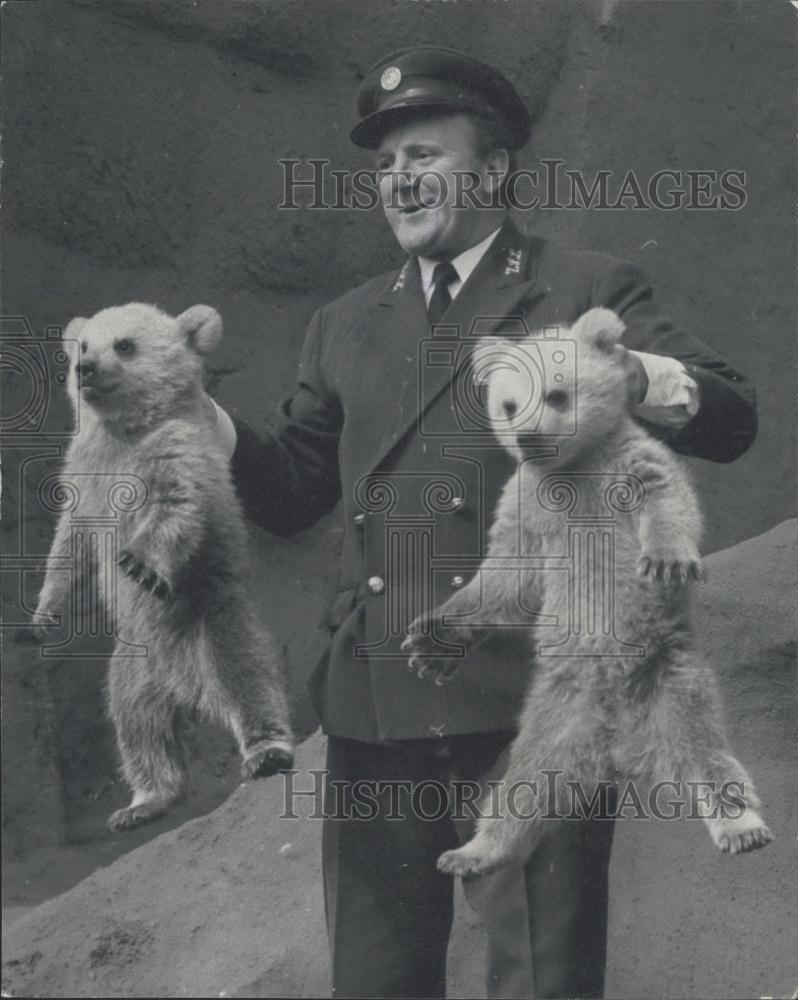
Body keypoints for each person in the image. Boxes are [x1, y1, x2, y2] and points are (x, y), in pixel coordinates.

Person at [210, 47, 757, 1000]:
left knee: (540, 982)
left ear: (495, 168)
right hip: (375, 699)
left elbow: (732, 415)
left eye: (423, 154)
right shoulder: (343, 323)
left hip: (530, 701)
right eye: (385, 166)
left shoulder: (586, 286)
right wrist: (201, 420)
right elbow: (296, 492)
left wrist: (636, 379)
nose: (399, 180)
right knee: (375, 985)